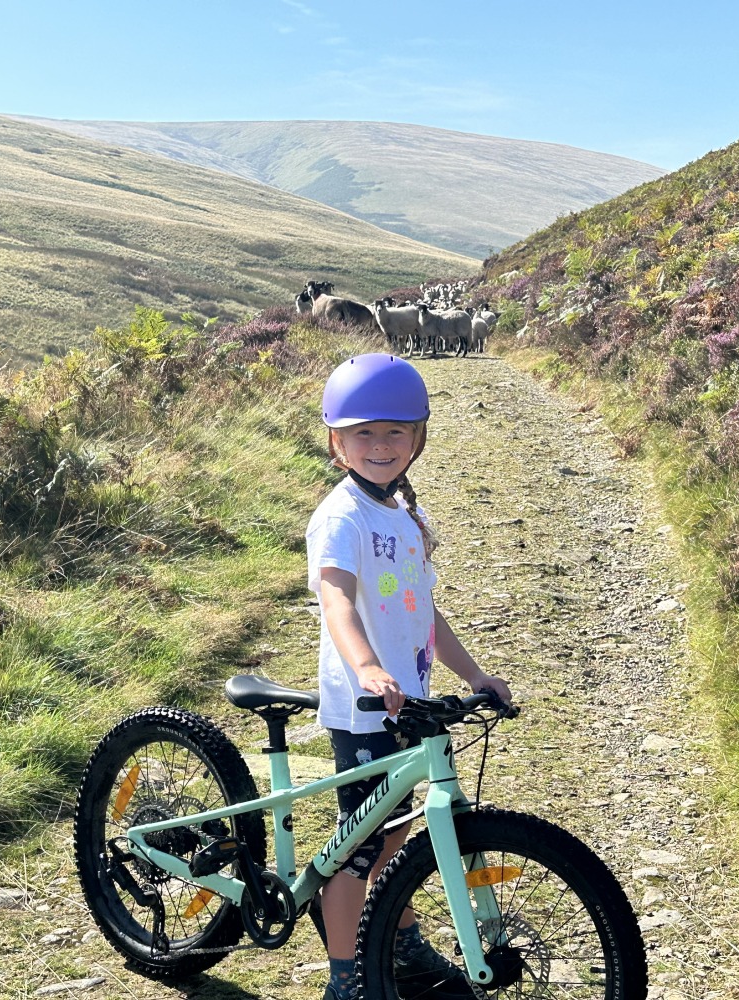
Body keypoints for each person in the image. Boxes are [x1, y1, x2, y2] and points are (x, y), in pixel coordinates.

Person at [307, 353, 514, 1000]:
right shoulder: (342, 517)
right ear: (336, 443)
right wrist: (366, 666)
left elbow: (423, 613)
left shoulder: (401, 513)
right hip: (365, 710)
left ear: (417, 439)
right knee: (358, 852)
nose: (380, 445)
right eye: (362, 433)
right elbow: (335, 599)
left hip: (410, 706)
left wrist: (475, 672)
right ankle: (345, 979)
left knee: (396, 840)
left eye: (396, 432)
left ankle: (397, 944)